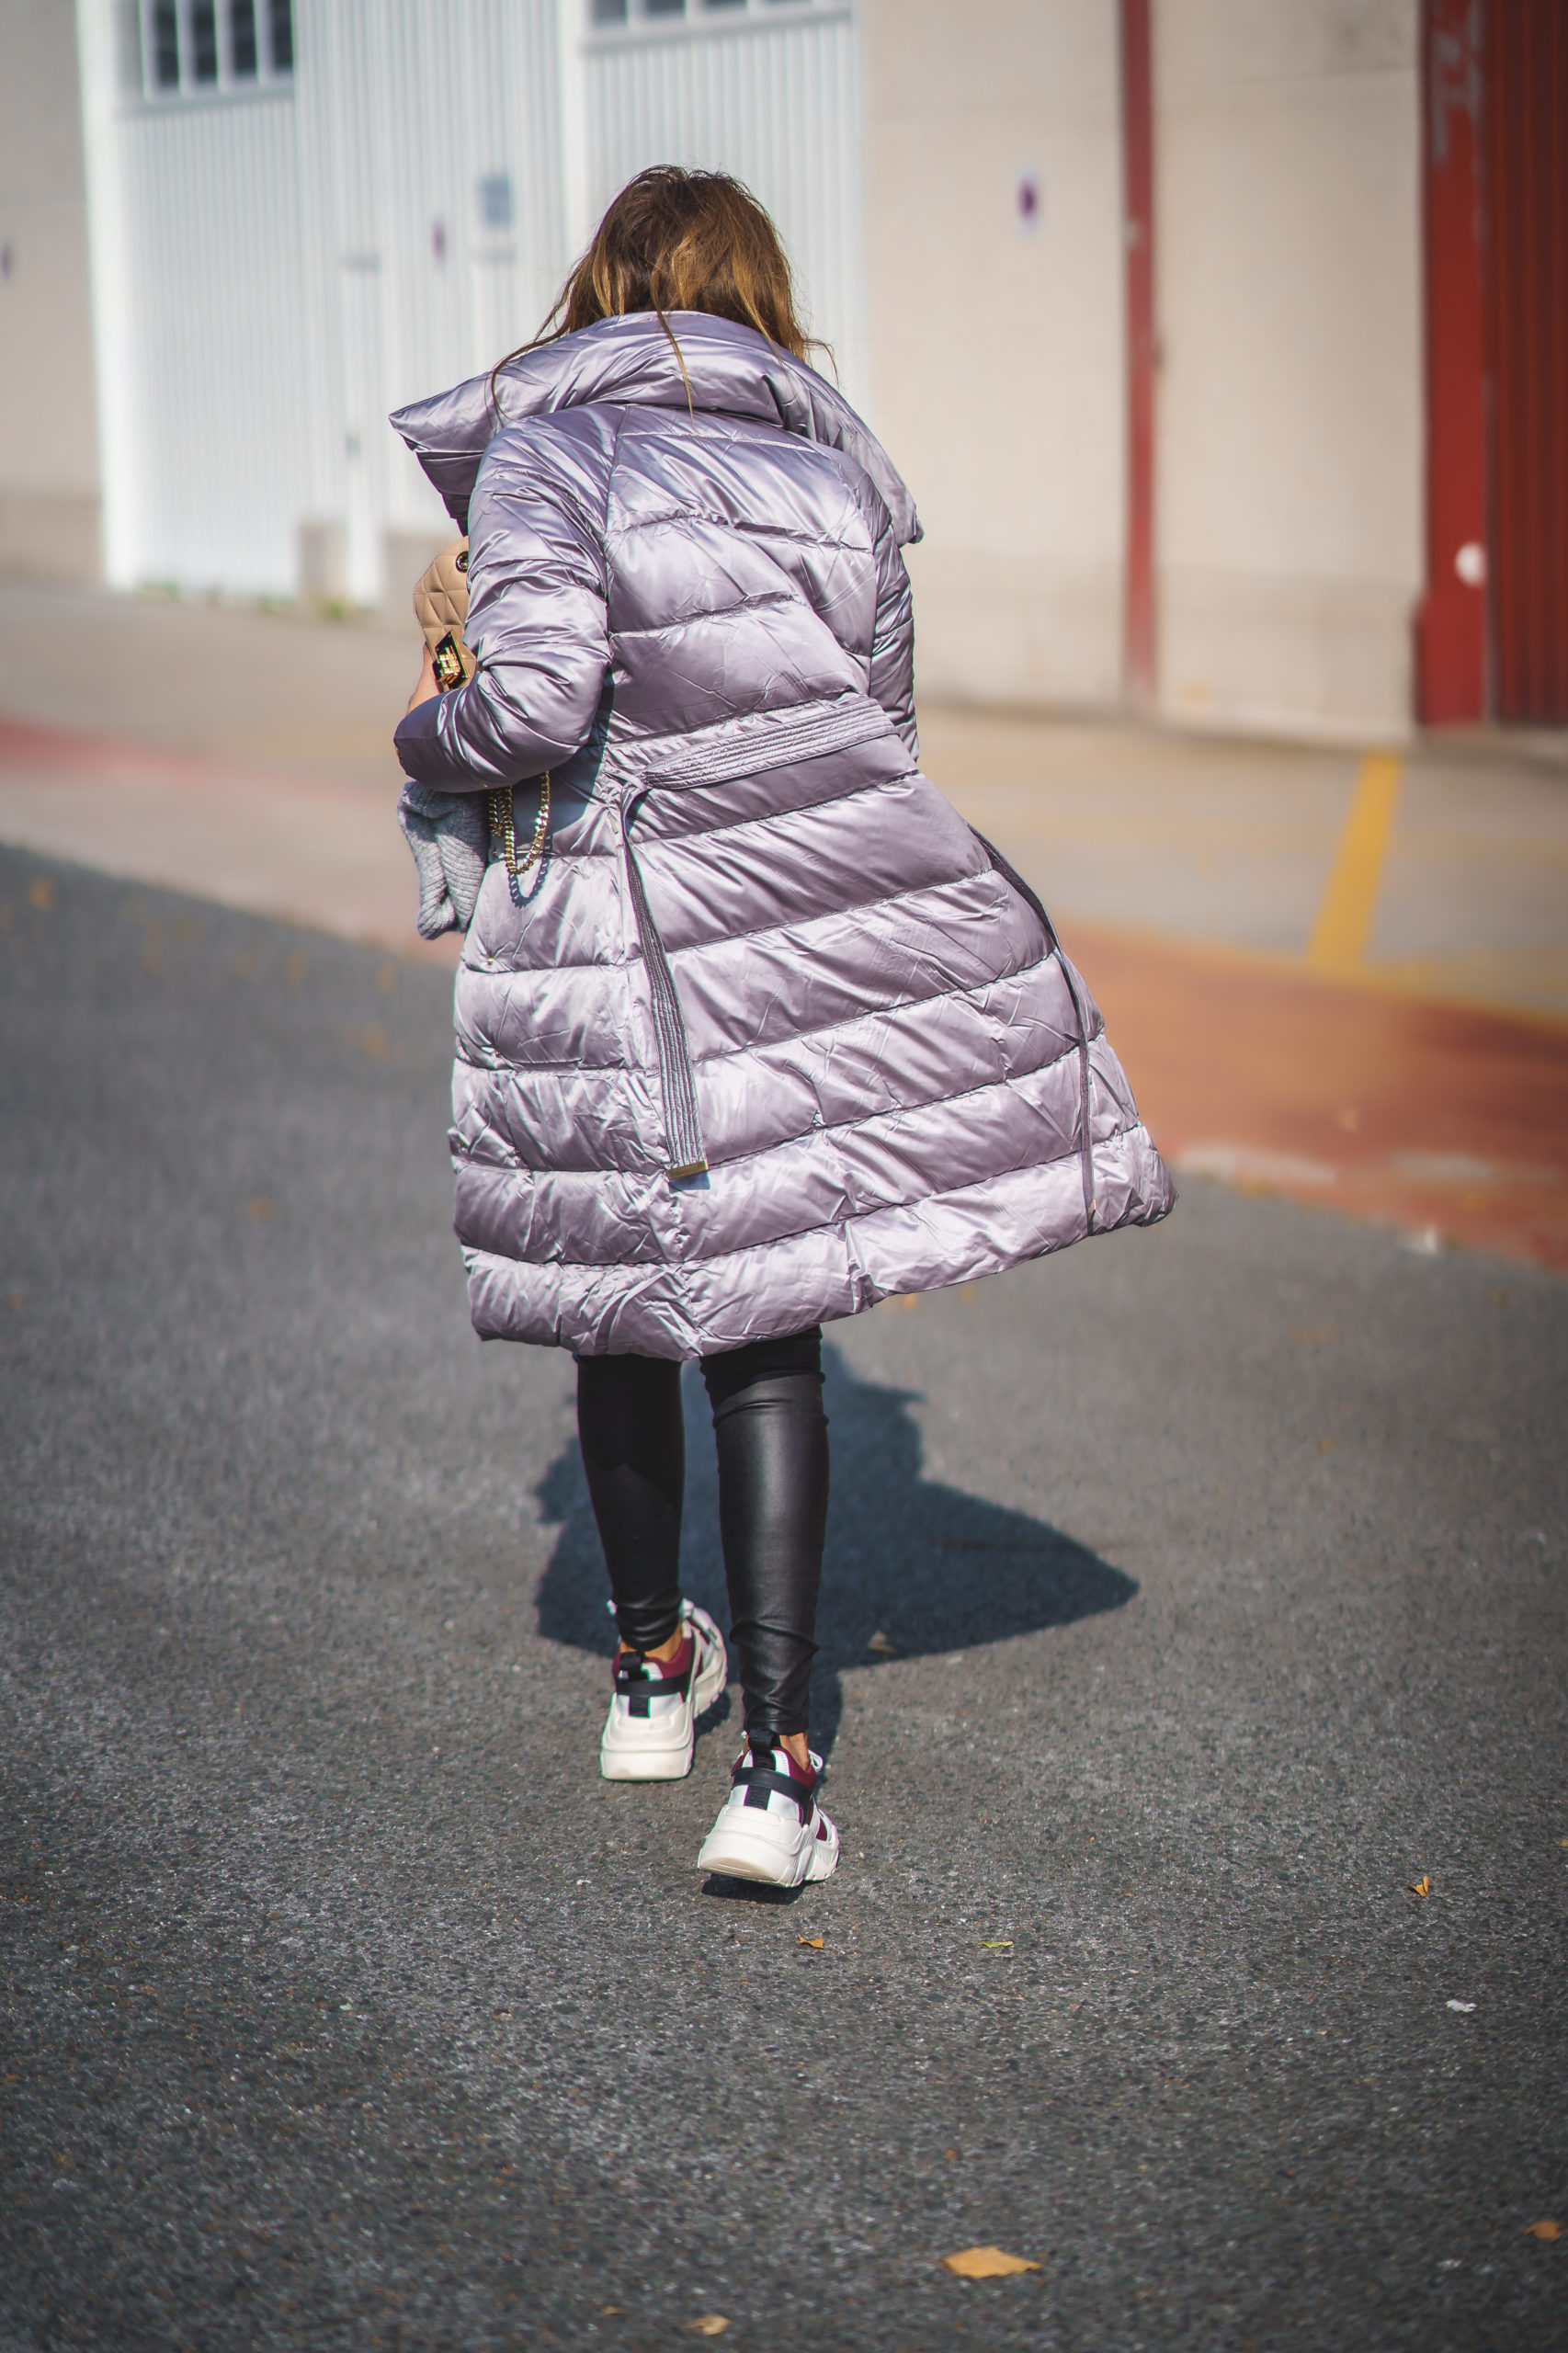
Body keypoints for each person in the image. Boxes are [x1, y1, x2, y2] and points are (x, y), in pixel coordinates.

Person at [391, 167, 1173, 1888]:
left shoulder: (549, 456)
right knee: (769, 1339)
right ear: (757, 297)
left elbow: (534, 704)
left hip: (607, 946)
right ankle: (777, 1778)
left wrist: (423, 730)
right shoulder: (843, 477)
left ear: (601, 293)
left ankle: (647, 1672)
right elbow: (881, 737)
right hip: (790, 958)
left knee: (617, 1311)